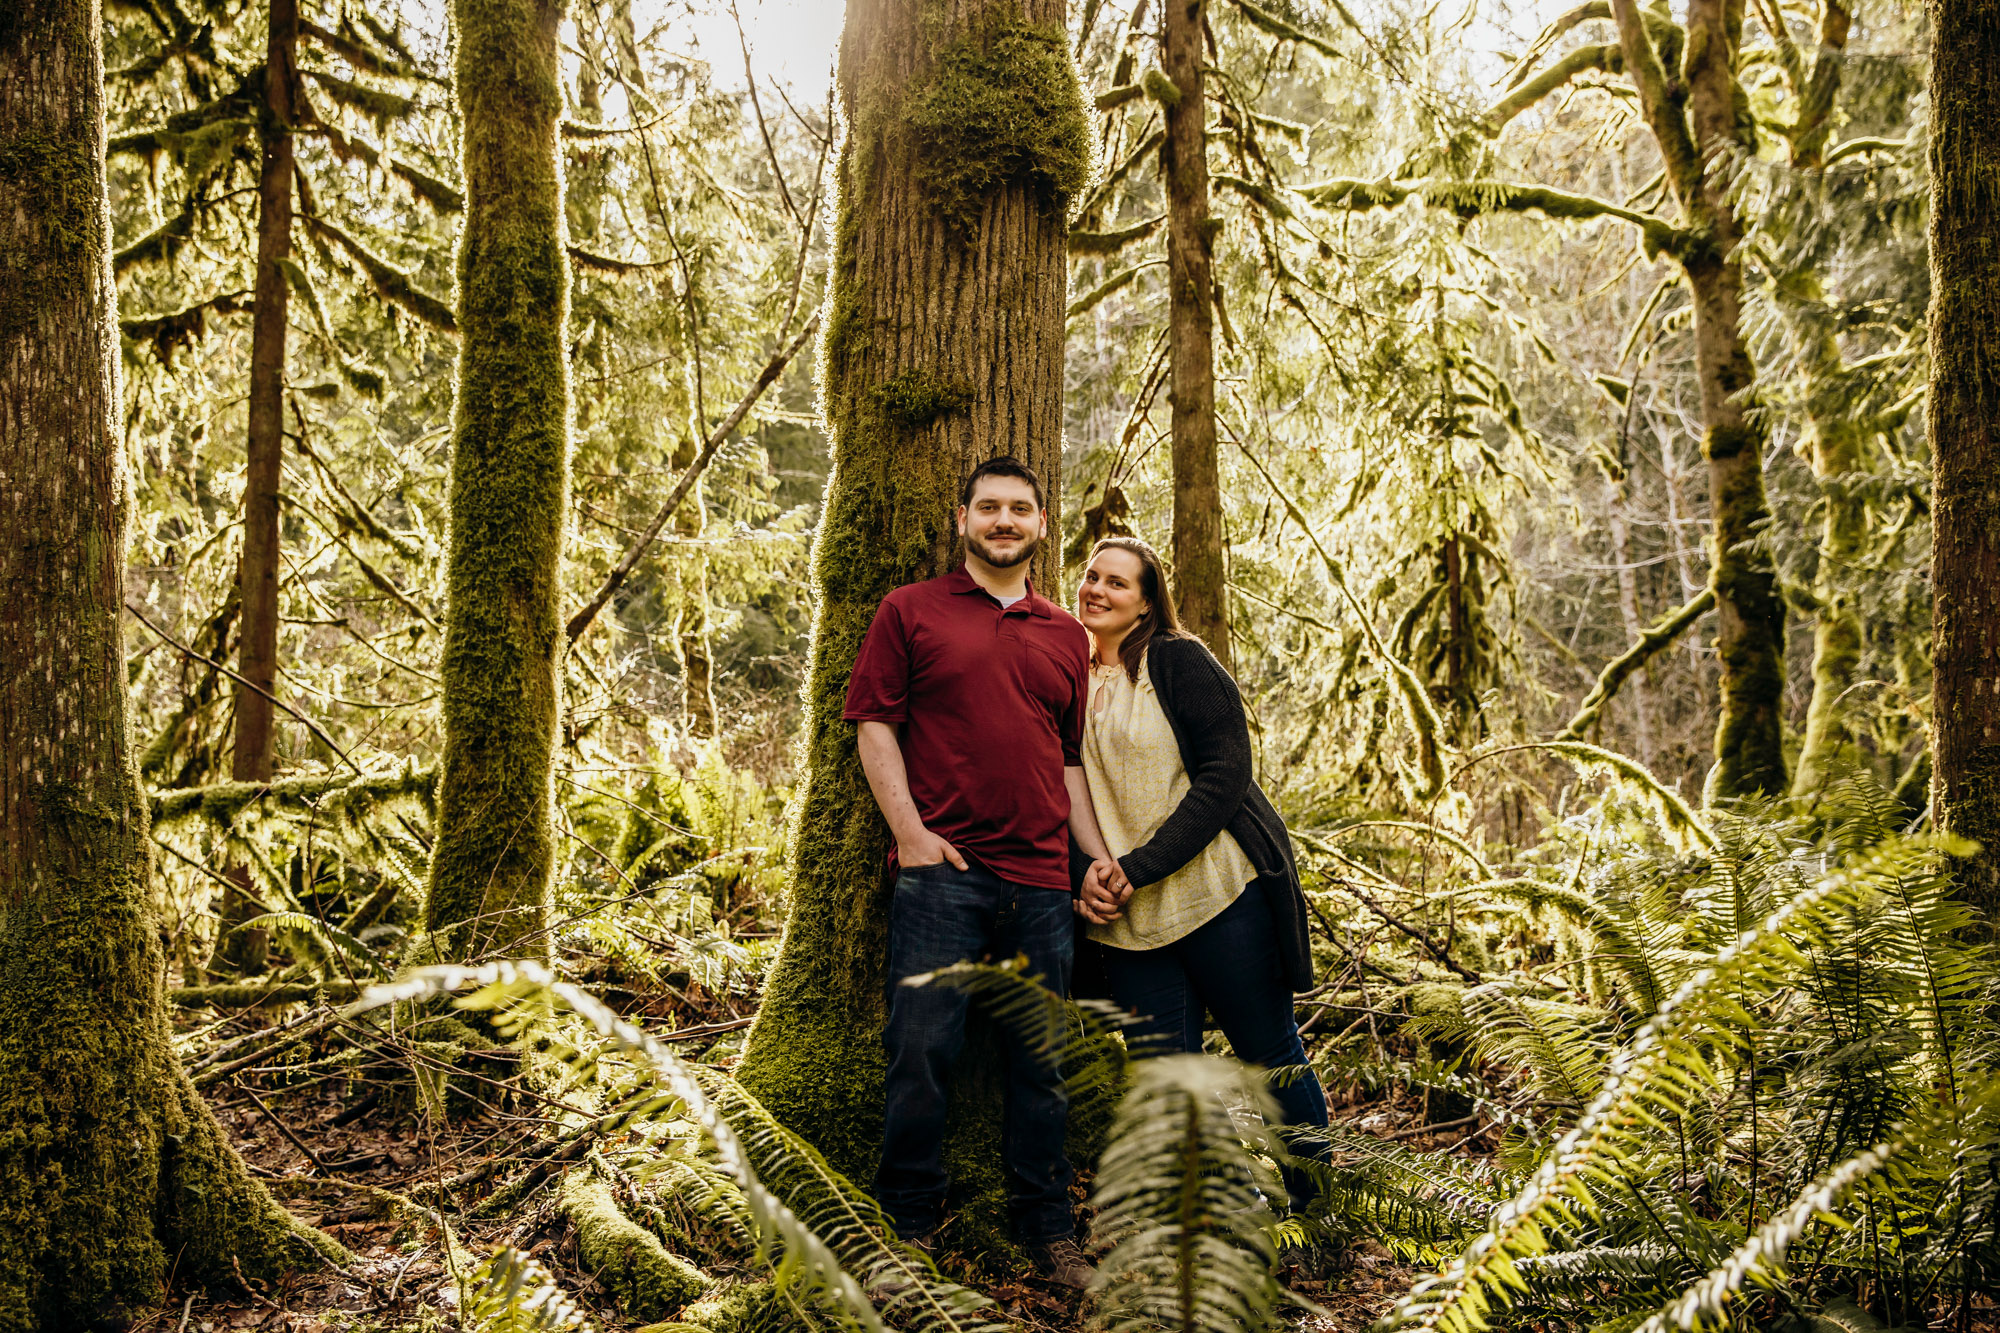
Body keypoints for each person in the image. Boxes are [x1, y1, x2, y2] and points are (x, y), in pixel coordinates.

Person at [843, 456, 1109, 1288]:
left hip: (1039, 882)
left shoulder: (1066, 632)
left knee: (1041, 1060)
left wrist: (1093, 859)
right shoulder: (909, 611)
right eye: (988, 507)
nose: (1004, 520)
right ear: (961, 518)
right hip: (943, 874)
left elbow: (1066, 762)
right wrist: (912, 836)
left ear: (1040, 526)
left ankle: (1047, 1227)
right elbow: (873, 723)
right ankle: (909, 1219)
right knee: (921, 1048)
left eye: (1019, 509)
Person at [1072, 535, 1328, 1206]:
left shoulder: (1176, 660)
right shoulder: (1068, 672)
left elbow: (1226, 772)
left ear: (1146, 602)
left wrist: (1142, 863)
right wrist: (1089, 872)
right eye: (1092, 576)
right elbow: (1059, 788)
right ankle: (1236, 1218)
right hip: (1129, 922)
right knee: (1173, 1081)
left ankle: (1317, 1208)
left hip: (1220, 899)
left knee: (1270, 1055)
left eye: (1117, 583)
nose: (1096, 589)